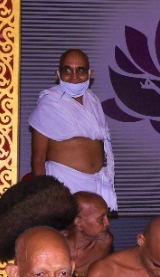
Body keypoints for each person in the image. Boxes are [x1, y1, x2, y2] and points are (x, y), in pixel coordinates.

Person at [29, 49, 118, 211]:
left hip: (96, 184)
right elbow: (38, 159)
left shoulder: (93, 100)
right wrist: (45, 197)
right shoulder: (49, 103)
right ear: (58, 74)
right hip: (63, 184)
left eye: (80, 70)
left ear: (90, 74)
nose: (74, 77)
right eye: (67, 71)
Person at [61, 191, 113, 277]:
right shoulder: (57, 244)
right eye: (101, 218)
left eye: (107, 216)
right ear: (79, 223)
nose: (107, 222)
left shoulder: (103, 243)